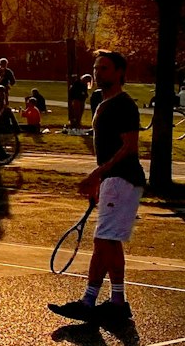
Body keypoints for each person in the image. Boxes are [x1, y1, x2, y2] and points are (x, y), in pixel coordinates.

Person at [49, 50, 145, 324]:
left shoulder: (124, 105)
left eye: (104, 68)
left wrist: (97, 174)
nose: (98, 73)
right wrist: (101, 181)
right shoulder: (100, 102)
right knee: (104, 241)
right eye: (96, 68)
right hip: (112, 181)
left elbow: (130, 147)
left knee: (106, 241)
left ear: (119, 72)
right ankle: (94, 302)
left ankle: (113, 303)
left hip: (124, 179)